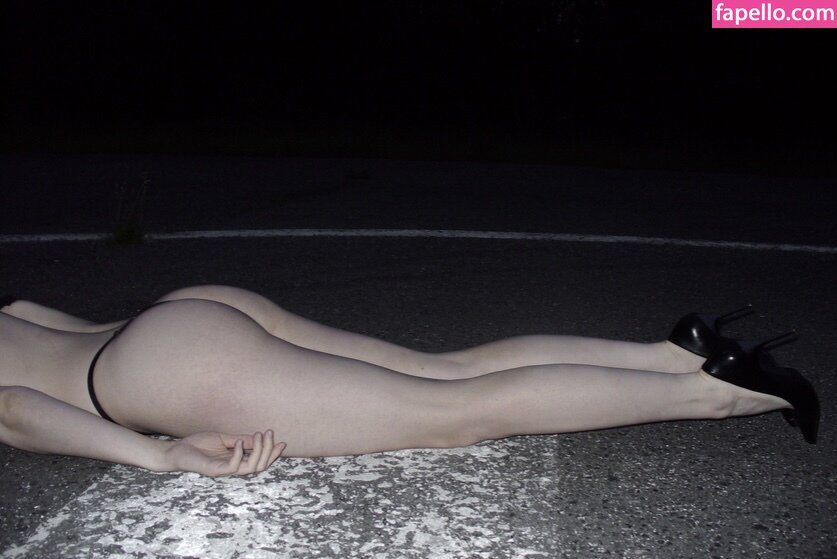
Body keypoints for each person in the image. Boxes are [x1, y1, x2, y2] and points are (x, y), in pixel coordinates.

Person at [0, 285, 820, 477]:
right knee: (443, 370)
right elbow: (35, 317)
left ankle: (716, 389)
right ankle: (671, 354)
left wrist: (159, 453)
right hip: (181, 314)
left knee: (451, 411)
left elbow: (13, 407)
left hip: (155, 367)